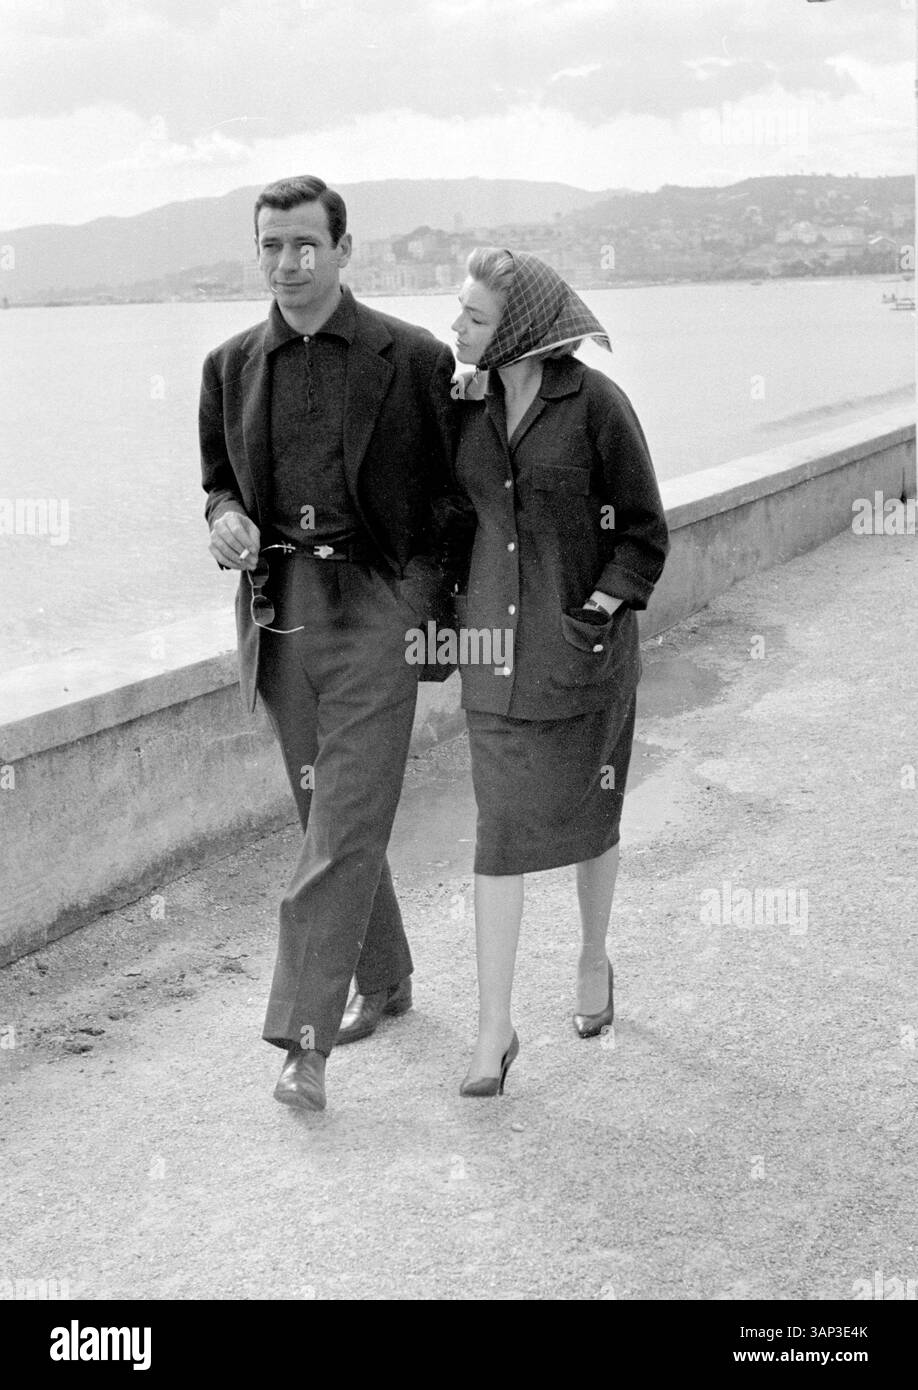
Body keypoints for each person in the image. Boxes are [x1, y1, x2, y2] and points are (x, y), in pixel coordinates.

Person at [199, 175, 462, 1112]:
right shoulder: (228, 365)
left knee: (343, 821)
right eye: (271, 245)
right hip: (282, 616)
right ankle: (386, 979)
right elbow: (219, 484)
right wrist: (225, 521)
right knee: (330, 817)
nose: (287, 263)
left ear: (345, 249)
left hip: (377, 609)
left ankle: (302, 1045)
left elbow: (451, 505)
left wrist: (422, 617)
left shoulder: (416, 358)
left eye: (305, 244)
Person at [449, 248, 669, 1097]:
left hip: (581, 659)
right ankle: (493, 1027)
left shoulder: (598, 406)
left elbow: (644, 529)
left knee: (590, 816)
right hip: (491, 664)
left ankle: (591, 958)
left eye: (473, 317)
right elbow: (444, 518)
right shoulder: (459, 407)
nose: (455, 328)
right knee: (497, 834)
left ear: (523, 329)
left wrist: (603, 609)